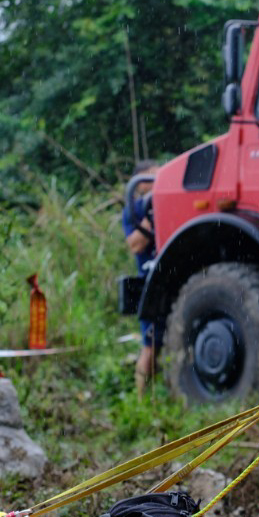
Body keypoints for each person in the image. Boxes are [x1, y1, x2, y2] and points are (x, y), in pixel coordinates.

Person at [121, 163, 160, 394]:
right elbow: (135, 244)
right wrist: (152, 215)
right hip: (149, 282)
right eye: (151, 177)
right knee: (150, 345)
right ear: (139, 183)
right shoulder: (134, 210)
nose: (157, 181)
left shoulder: (166, 201)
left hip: (172, 279)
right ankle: (141, 400)